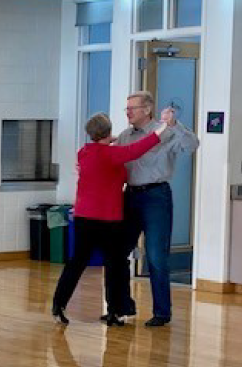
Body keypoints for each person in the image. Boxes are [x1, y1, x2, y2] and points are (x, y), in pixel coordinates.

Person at [51, 113, 167, 326]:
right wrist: (162, 128)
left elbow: (104, 163)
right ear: (109, 131)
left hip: (84, 217)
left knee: (77, 262)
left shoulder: (84, 153)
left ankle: (59, 304)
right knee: (115, 263)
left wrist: (107, 141)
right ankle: (116, 311)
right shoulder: (112, 155)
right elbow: (138, 149)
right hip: (108, 218)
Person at [110, 92, 200, 327]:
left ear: (147, 109)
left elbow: (192, 145)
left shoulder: (165, 132)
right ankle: (122, 306)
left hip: (156, 197)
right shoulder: (124, 136)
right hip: (130, 196)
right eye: (126, 108)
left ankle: (162, 312)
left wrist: (175, 124)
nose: (128, 112)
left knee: (157, 256)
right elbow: (110, 159)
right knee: (118, 252)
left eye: (132, 108)